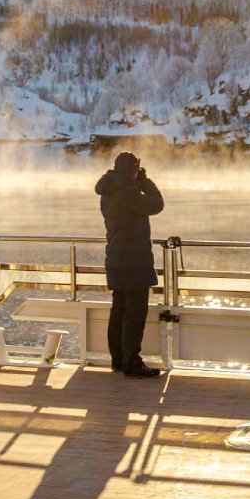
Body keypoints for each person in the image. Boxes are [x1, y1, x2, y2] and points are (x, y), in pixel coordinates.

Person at [95, 151, 165, 378]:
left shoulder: (108, 191)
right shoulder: (128, 193)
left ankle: (118, 359)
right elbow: (157, 204)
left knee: (119, 310)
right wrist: (145, 182)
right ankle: (131, 362)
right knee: (134, 313)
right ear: (132, 169)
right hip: (134, 261)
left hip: (116, 258)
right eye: (137, 167)